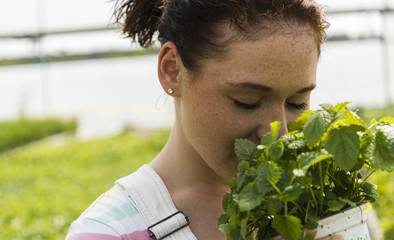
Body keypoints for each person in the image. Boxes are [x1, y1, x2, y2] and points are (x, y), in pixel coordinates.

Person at [65, 0, 332, 239]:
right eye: (246, 101)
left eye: (297, 103)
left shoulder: (322, 201)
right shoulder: (108, 232)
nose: (279, 133)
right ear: (172, 70)